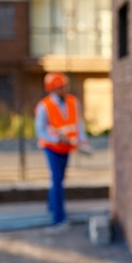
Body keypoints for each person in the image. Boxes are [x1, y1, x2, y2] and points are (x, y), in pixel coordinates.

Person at [35, 72, 90, 225]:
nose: (63, 89)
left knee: (58, 179)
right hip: (52, 148)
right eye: (60, 87)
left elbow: (78, 123)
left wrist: (83, 140)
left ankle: (52, 206)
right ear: (52, 89)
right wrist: (56, 138)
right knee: (57, 180)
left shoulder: (73, 102)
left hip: (67, 148)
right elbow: (40, 130)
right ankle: (58, 217)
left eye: (64, 86)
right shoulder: (44, 106)